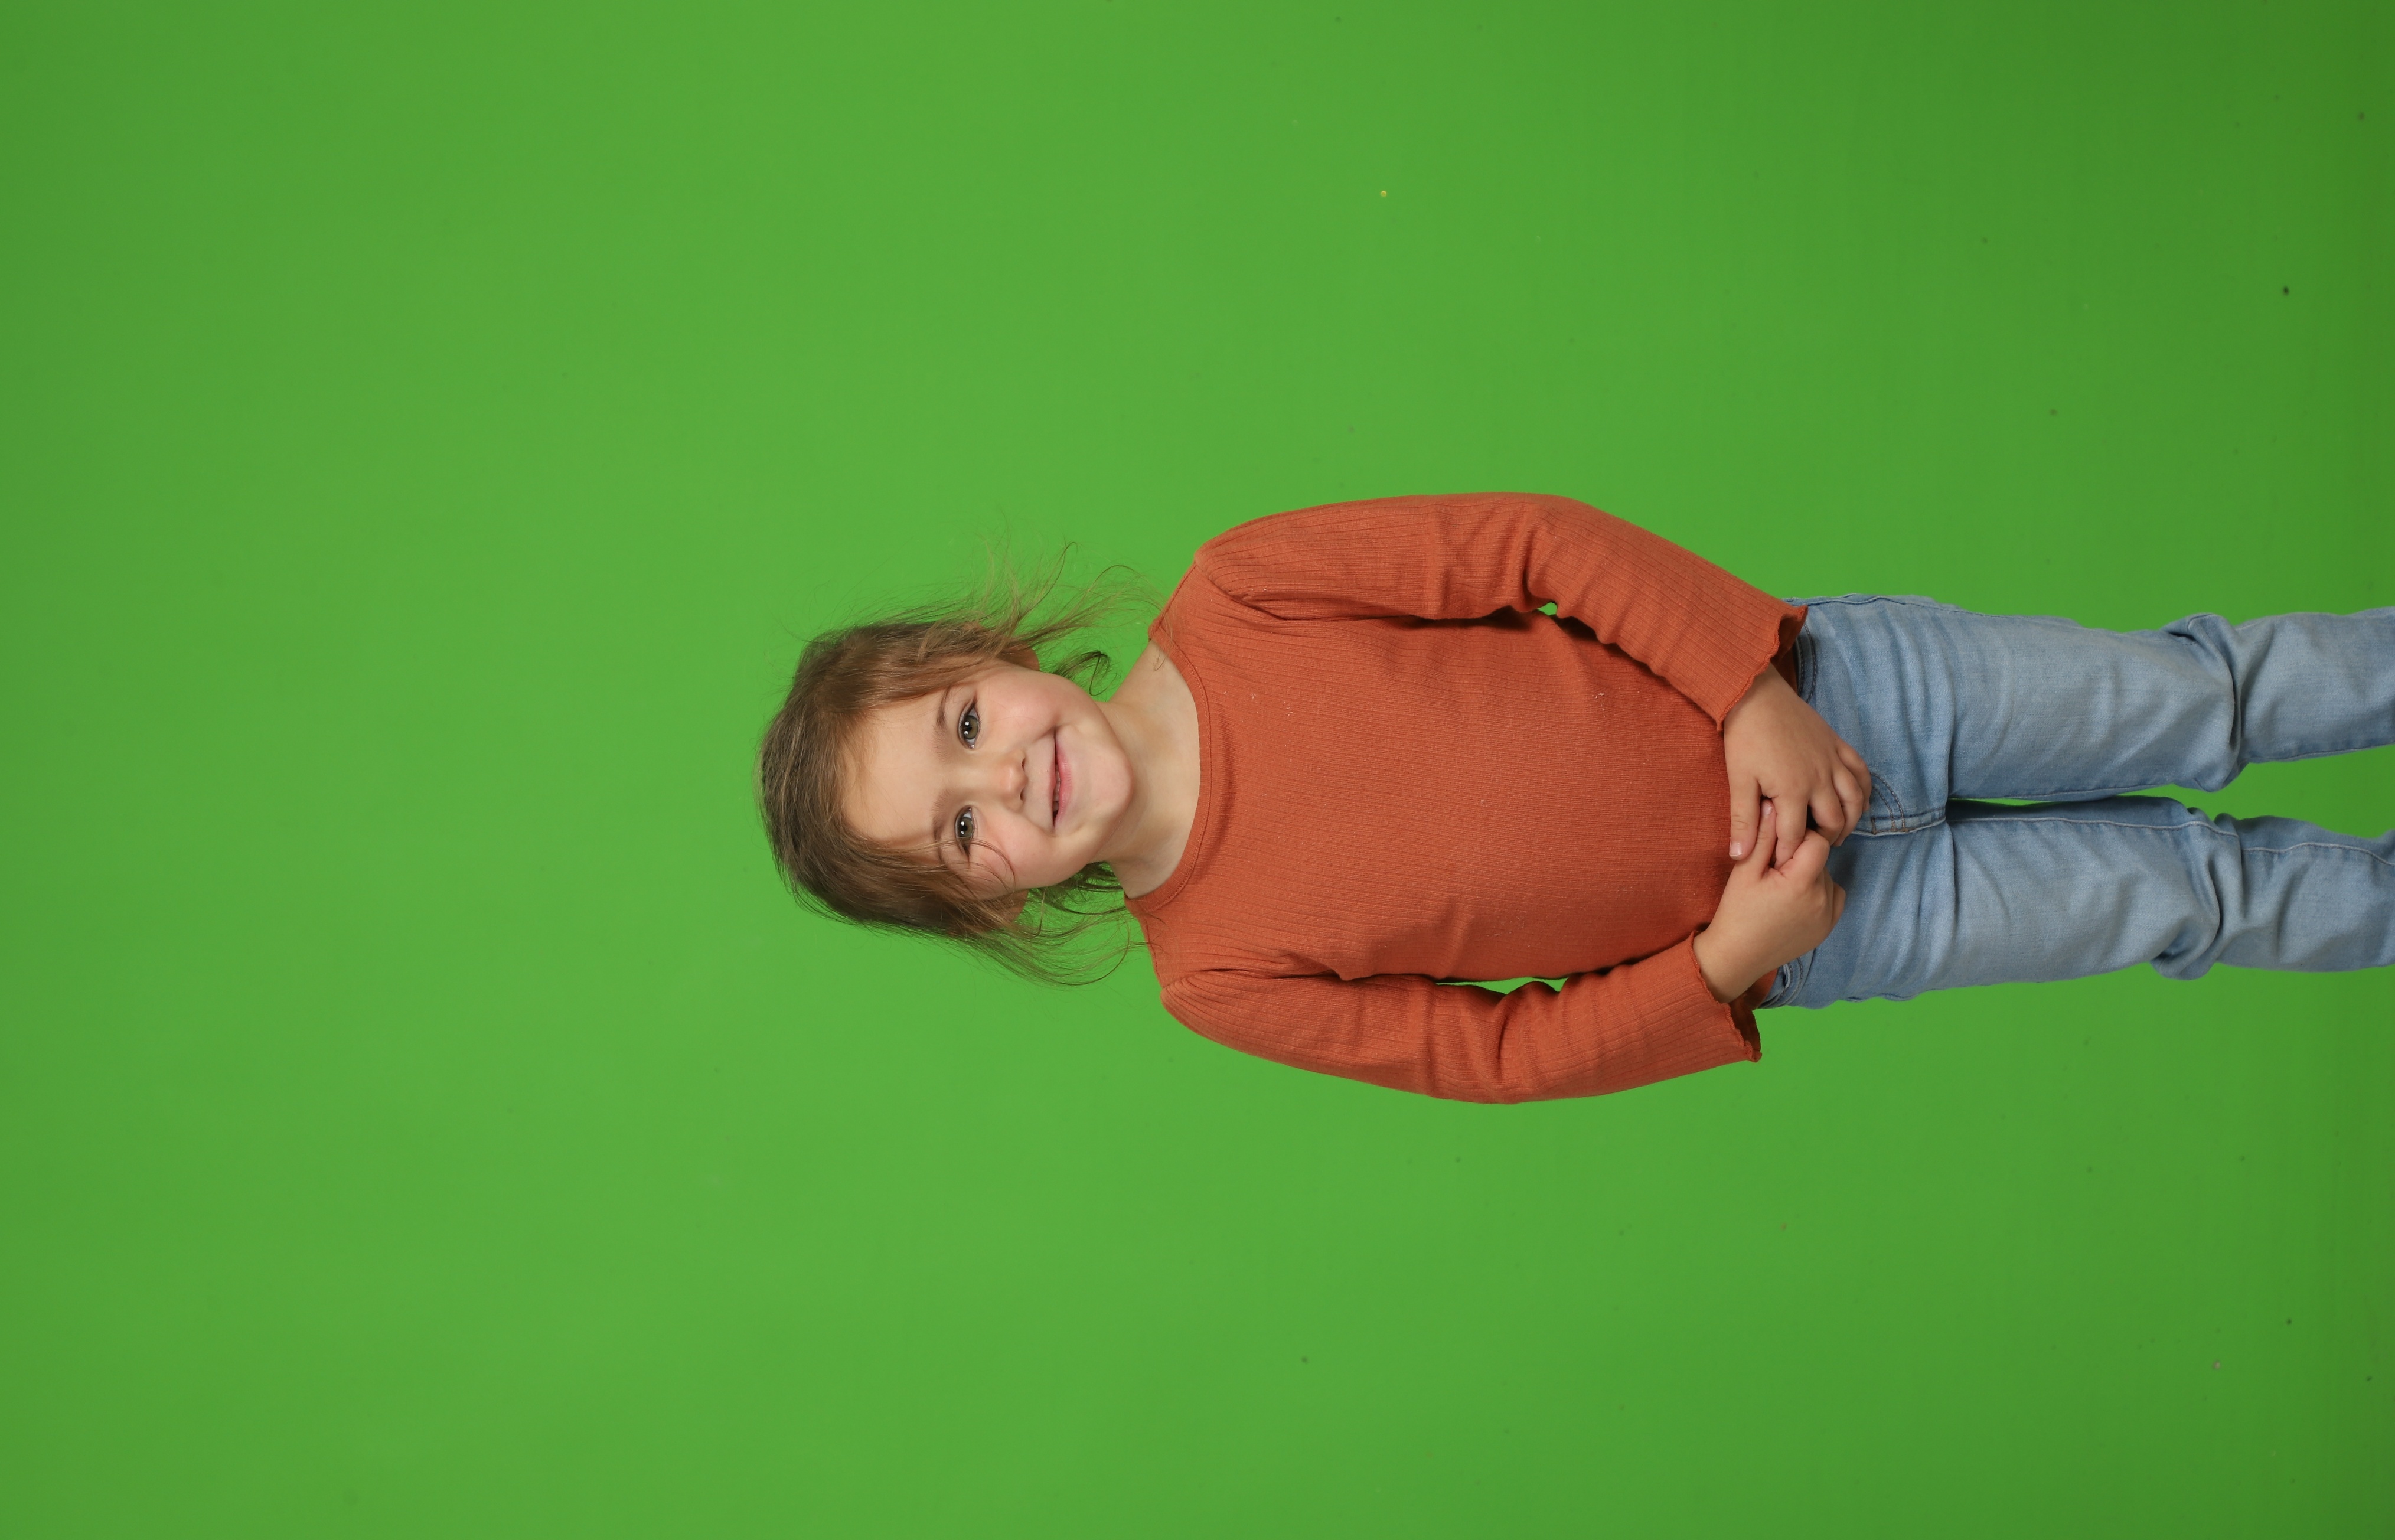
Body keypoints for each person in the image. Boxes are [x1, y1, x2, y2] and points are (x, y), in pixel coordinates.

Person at [757, 494, 2395, 1103]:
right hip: (1831, 926)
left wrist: (1747, 693)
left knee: (2204, 701)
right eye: (958, 828)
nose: (1005, 776)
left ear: (992, 656)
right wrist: (1729, 962)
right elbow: (1495, 1056)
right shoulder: (1219, 981)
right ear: (983, 897)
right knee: (2195, 897)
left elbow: (1529, 546)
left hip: (1846, 695)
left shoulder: (1242, 590)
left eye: (964, 723)